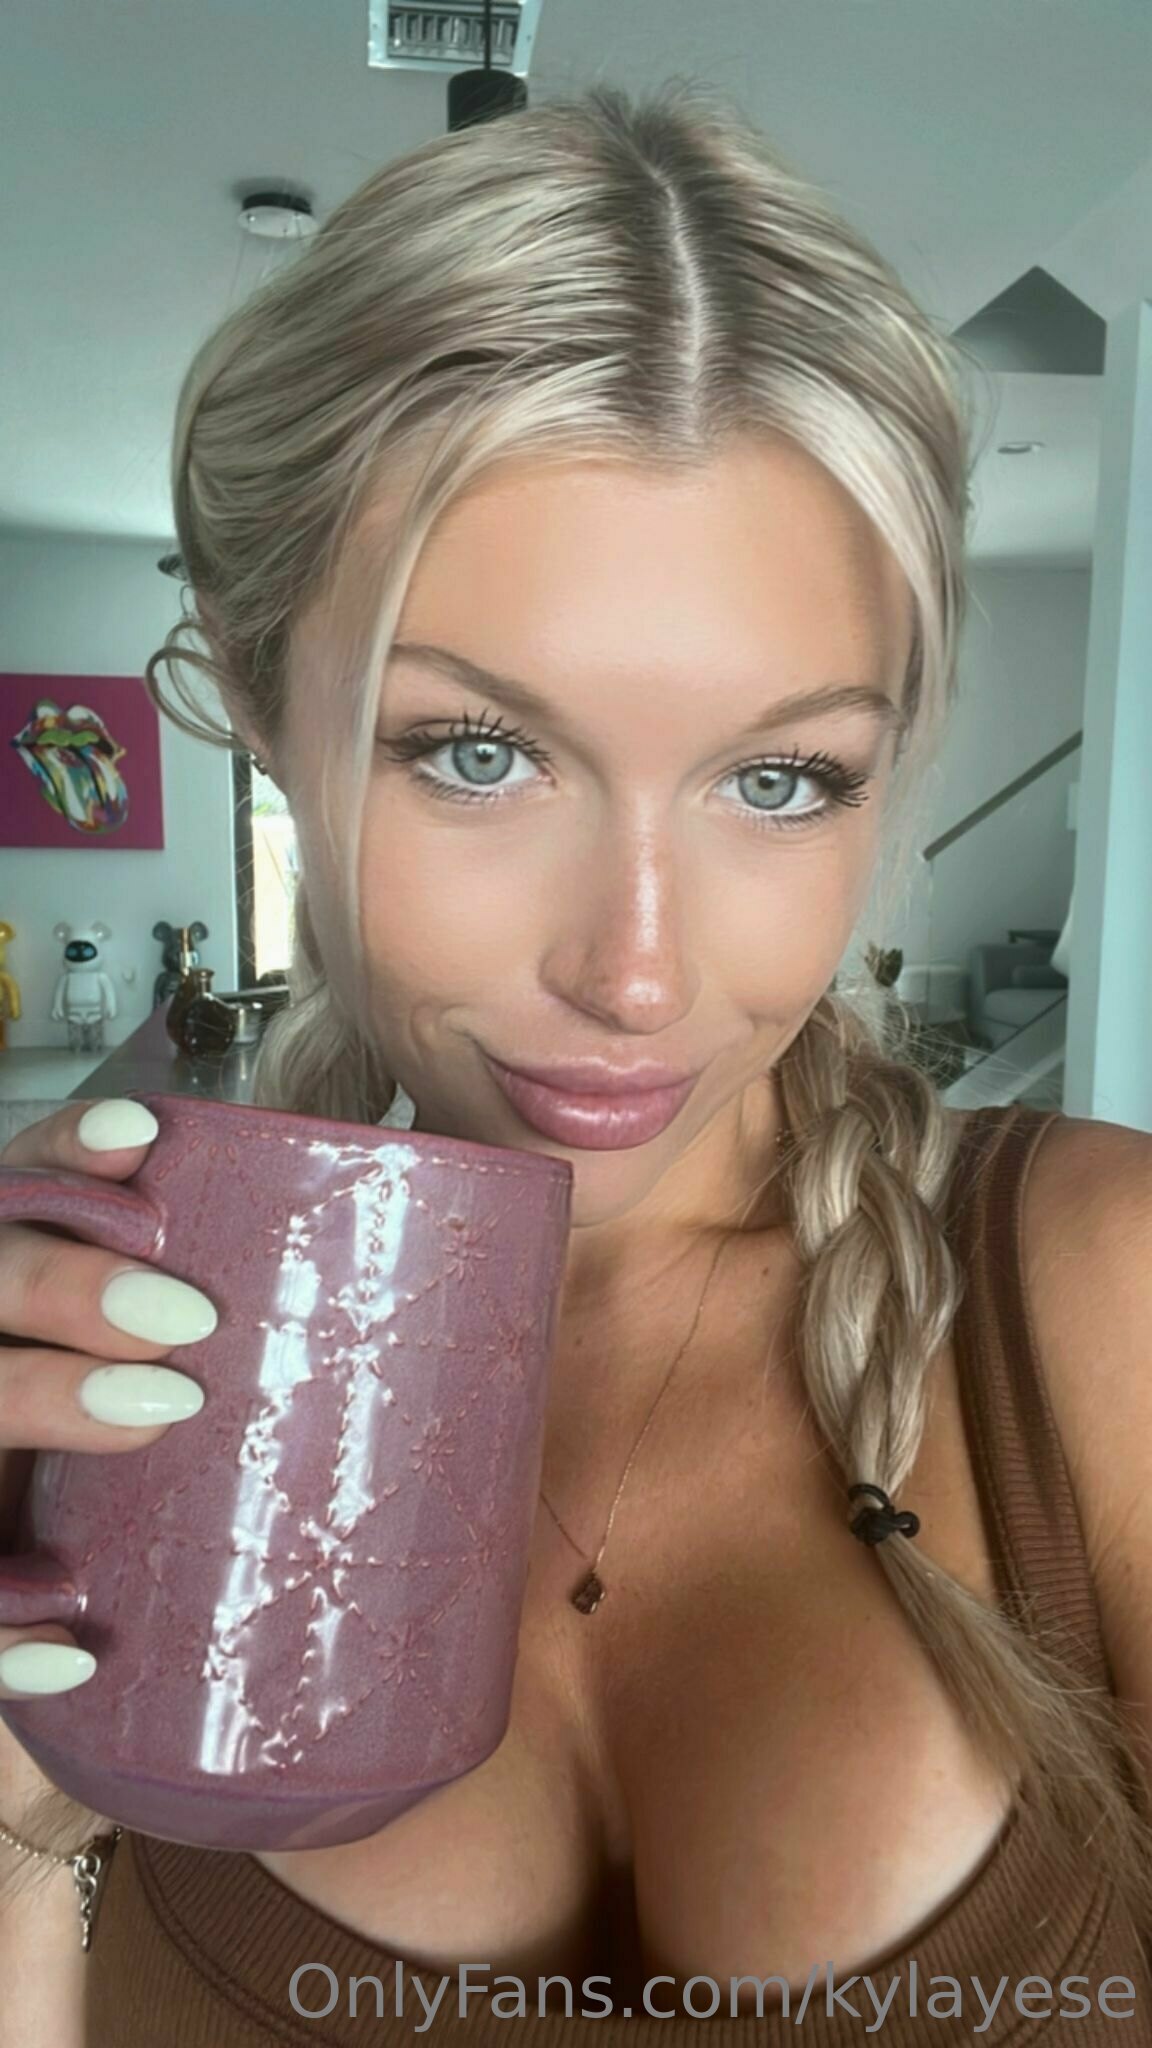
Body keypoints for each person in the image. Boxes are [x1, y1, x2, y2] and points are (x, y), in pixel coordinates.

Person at [1, 78, 1151, 2044]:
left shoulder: (1104, 1297)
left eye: (780, 779)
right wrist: (20, 1839)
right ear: (259, 691)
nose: (635, 972)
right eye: (480, 752)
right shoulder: (121, 1371)